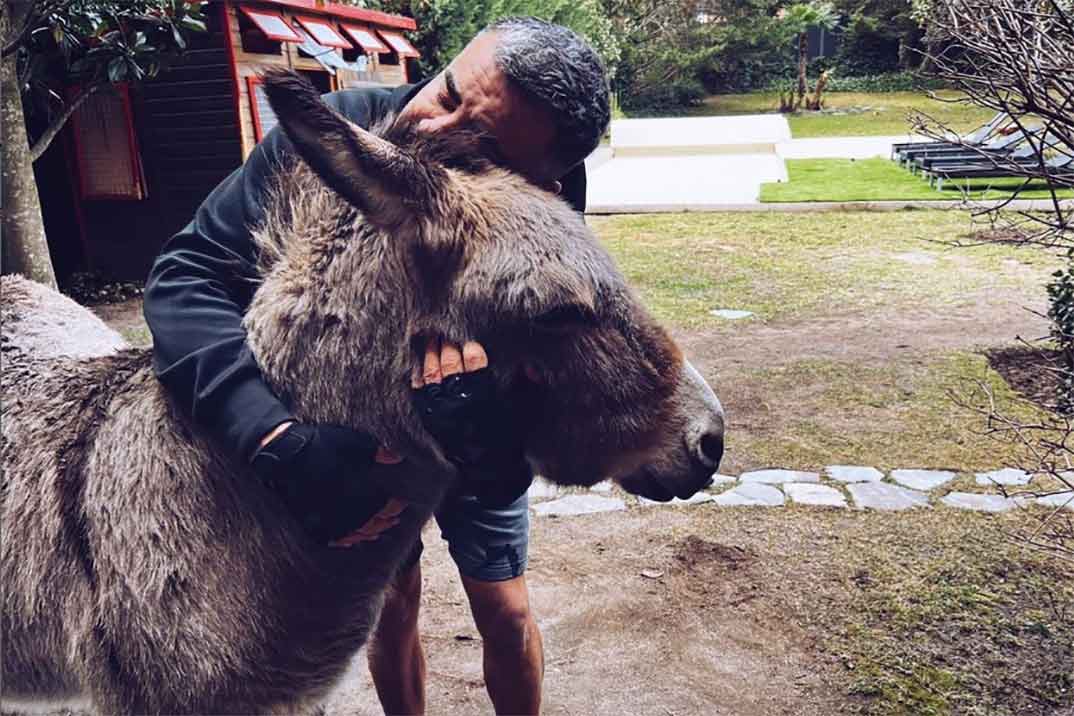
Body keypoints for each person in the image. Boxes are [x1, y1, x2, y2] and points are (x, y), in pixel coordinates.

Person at [142, 16, 610, 716]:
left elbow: (557, 341)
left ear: (543, 175)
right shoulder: (330, 140)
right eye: (446, 91)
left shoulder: (553, 198)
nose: (428, 125)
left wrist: (500, 428)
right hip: (356, 446)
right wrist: (275, 438)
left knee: (505, 608)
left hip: (472, 433)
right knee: (391, 607)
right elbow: (185, 280)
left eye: (475, 140)